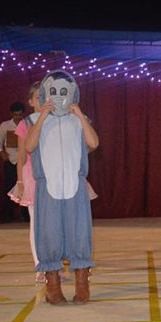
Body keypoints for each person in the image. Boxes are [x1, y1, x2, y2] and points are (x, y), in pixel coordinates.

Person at [25, 70, 99, 304]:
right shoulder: (34, 120)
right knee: (49, 234)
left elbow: (94, 142)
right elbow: (29, 147)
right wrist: (42, 117)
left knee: (80, 234)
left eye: (64, 91)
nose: (58, 95)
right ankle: (53, 286)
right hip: (48, 188)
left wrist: (80, 116)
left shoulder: (78, 119)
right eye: (53, 91)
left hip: (75, 187)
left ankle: (82, 284)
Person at [9, 83, 44, 283]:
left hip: (52, 176)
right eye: (38, 97)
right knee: (36, 223)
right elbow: (22, 156)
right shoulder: (25, 124)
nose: (42, 100)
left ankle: (53, 266)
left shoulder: (54, 120)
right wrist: (20, 180)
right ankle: (40, 266)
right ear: (30, 102)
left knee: (53, 223)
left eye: (45, 96)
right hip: (32, 176)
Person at [0, 102, 26, 222]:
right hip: (10, 161)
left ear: (23, 114)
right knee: (8, 188)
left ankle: (26, 215)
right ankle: (7, 215)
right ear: (11, 114)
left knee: (25, 188)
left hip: (24, 162)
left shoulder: (27, 124)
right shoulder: (5, 125)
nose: (18, 117)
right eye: (15, 115)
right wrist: (2, 153)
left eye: (20, 115)